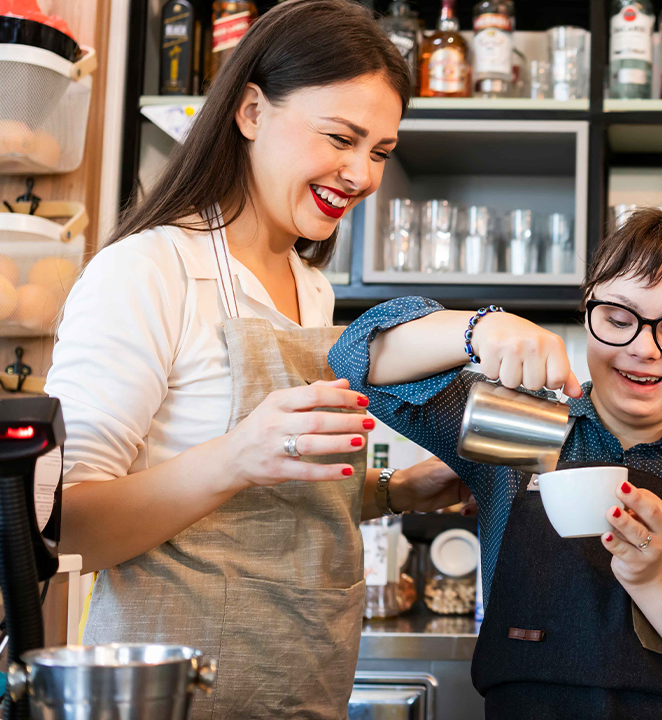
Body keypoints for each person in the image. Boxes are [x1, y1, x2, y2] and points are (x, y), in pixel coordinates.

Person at [43, 2, 471, 717]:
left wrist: (393, 492)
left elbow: (264, 505)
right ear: (249, 111)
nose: (362, 174)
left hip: (299, 685)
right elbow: (64, 526)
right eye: (341, 136)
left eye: (380, 152)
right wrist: (239, 453)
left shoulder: (311, 288)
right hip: (168, 693)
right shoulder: (149, 270)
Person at [329, 208, 662, 718]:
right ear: (587, 312)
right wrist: (479, 329)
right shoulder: (515, 430)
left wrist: (654, 577)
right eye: (619, 320)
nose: (643, 349)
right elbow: (354, 359)